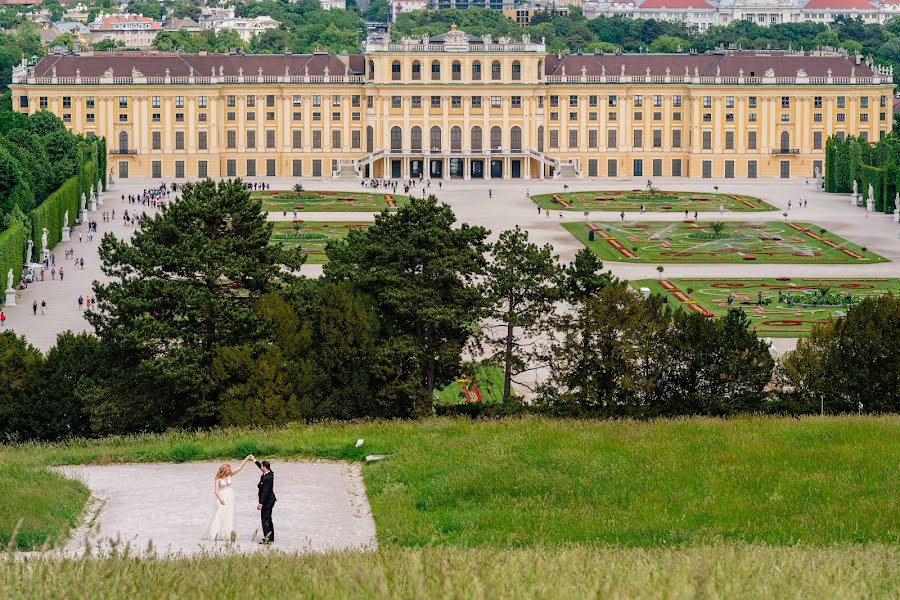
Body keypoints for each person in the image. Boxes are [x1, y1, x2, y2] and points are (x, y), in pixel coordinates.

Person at [201, 455, 255, 542]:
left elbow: (239, 467)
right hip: (222, 497)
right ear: (223, 470)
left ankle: (227, 534)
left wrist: (246, 459)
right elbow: (216, 490)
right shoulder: (218, 478)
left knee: (229, 515)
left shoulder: (230, 474)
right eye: (228, 470)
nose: (229, 471)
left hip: (230, 496)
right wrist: (220, 499)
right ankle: (215, 533)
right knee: (220, 514)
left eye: (230, 470)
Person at [255, 459, 277, 544]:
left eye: (261, 466)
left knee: (265, 520)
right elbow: (260, 466)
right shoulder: (269, 472)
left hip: (267, 501)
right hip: (270, 500)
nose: (260, 467)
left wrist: (260, 503)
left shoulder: (267, 478)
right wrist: (254, 460)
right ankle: (271, 537)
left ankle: (267, 539)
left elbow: (265, 492)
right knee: (268, 519)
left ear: (264, 467)